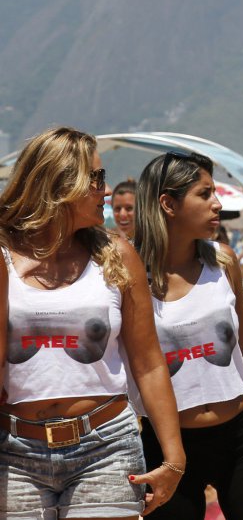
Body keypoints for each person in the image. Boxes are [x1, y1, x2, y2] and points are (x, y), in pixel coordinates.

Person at [0, 127, 185, 518]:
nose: (106, 188)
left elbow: (149, 363)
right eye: (96, 178)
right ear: (60, 184)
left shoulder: (117, 256)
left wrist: (173, 459)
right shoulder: (3, 257)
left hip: (106, 448)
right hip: (13, 452)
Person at [133, 150, 243, 519]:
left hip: (241, 436)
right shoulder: (131, 279)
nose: (217, 204)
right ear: (168, 203)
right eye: (204, 193)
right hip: (167, 445)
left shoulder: (223, 261)